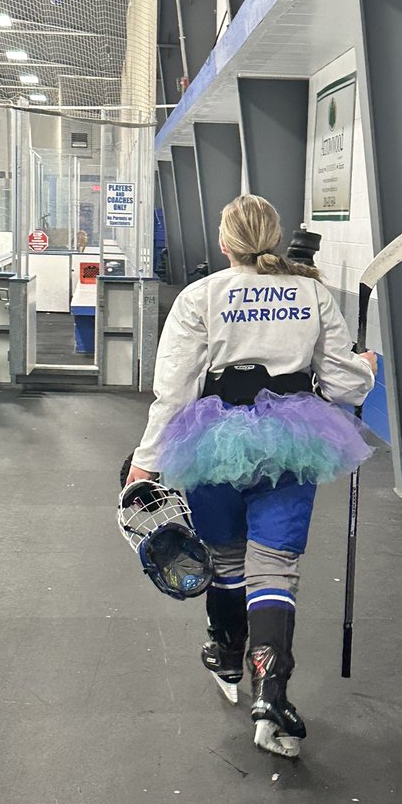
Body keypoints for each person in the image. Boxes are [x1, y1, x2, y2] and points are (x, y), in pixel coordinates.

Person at [124, 194, 377, 758]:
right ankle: (273, 695)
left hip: (212, 441)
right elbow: (344, 386)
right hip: (293, 440)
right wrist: (367, 369)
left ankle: (226, 652)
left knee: (228, 560)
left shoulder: (200, 296)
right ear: (273, 236)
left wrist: (147, 459)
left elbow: (174, 391)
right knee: (276, 566)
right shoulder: (311, 293)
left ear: (224, 242)